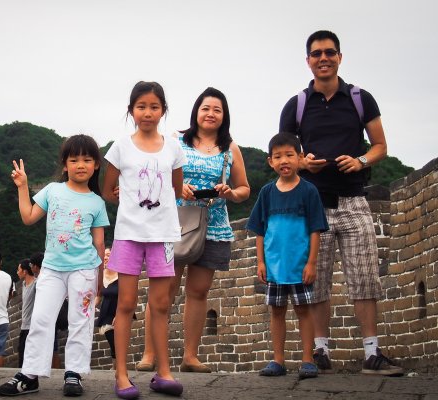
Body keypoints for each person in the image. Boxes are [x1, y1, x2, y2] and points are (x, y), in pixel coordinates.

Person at [279, 30, 402, 376]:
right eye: (317, 53)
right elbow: (284, 154)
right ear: (308, 61)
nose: (324, 58)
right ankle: (320, 351)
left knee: (365, 277)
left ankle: (372, 354)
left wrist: (360, 161)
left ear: (339, 57)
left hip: (354, 200)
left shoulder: (361, 99)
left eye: (329, 52)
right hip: (312, 204)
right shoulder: (296, 105)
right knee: (315, 280)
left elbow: (380, 146)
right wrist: (304, 163)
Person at [137, 87, 250, 373]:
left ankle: (190, 356)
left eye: (217, 110)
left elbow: (244, 189)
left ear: (224, 116)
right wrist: (179, 186)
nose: (211, 114)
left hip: (213, 226)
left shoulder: (231, 149)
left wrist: (230, 193)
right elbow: (156, 174)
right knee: (164, 289)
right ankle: (150, 354)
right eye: (206, 108)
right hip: (174, 223)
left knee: (199, 291)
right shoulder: (176, 140)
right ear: (196, 112)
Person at [0, 134, 109, 397]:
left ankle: (74, 374)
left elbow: (99, 243)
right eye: (74, 160)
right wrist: (23, 186)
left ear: (96, 165)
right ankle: (30, 375)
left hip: (84, 269)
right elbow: (28, 217)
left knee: (80, 320)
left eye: (87, 160)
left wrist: (100, 279)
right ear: (65, 164)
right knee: (41, 319)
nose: (80, 165)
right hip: (52, 269)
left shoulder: (97, 202)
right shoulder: (52, 190)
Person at [103, 81, 185, 399]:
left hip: (162, 236)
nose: (147, 112)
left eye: (154, 106)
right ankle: (122, 374)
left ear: (163, 110)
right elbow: (109, 190)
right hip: (129, 235)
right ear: (131, 110)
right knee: (125, 304)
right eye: (141, 106)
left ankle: (163, 373)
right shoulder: (121, 147)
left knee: (161, 305)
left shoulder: (173, 147)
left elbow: (175, 188)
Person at [246, 133, 328, 378]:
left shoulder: (309, 191)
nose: (284, 160)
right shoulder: (267, 193)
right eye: (278, 156)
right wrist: (261, 262)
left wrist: (311, 263)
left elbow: (315, 230)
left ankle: (308, 360)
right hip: (274, 266)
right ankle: (278, 360)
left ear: (300, 157)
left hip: (300, 266)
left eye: (290, 155)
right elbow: (260, 230)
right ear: (270, 161)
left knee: (303, 311)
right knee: (277, 311)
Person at [95, 248, 118, 368]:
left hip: (119, 311)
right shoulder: (101, 276)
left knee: (120, 342)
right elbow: (98, 296)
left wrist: (119, 315)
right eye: (104, 255)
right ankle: (116, 369)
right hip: (106, 313)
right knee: (112, 342)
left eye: (108, 255)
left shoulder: (121, 274)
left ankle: (119, 369)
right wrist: (88, 309)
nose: (105, 257)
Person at [17, 257, 37, 368]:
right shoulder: (24, 284)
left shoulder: (36, 284)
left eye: (18, 269)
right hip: (24, 326)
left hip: (32, 327)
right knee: (21, 356)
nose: (17, 272)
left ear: (25, 271)